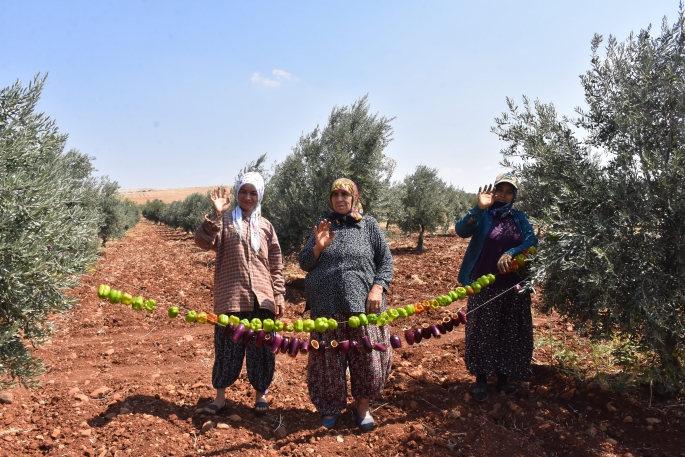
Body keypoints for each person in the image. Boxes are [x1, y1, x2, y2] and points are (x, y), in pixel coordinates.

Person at [298, 178, 394, 431]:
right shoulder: (323, 225)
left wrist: (377, 288)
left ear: (354, 198)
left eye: (345, 194)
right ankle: (330, 407)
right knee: (327, 361)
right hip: (325, 306)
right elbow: (305, 263)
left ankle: (363, 405)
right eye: (335, 194)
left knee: (366, 358)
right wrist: (318, 246)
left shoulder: (369, 225)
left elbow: (386, 262)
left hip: (363, 307)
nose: (340, 199)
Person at [194, 172, 285, 415]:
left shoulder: (266, 227)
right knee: (226, 349)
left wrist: (279, 294)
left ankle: (260, 396)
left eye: (253, 192)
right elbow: (201, 242)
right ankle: (220, 398)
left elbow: (275, 264)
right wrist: (216, 214)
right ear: (237, 194)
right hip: (231, 297)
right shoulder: (223, 222)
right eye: (243, 192)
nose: (248, 196)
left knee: (262, 350)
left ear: (260, 195)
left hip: (262, 298)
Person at [455, 172, 537, 402]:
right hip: (483, 284)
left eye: (509, 191)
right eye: (499, 189)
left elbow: (531, 240)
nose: (503, 195)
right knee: (482, 332)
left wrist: (511, 252)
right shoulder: (483, 216)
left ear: (514, 196)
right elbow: (461, 230)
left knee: (509, 331)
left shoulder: (518, 218)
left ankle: (503, 379)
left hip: (513, 285)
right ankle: (481, 380)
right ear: (492, 192)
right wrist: (478, 208)